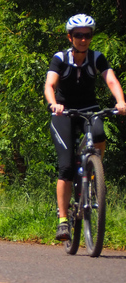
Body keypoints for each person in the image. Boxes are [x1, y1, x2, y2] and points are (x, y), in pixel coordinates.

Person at [44, 13, 126, 241]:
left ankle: (93, 168)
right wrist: (54, 104)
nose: (83, 39)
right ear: (70, 37)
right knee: (66, 167)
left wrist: (121, 102)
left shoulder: (97, 58)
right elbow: (50, 84)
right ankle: (62, 220)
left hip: (89, 109)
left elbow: (111, 80)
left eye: (87, 35)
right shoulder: (60, 58)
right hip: (65, 111)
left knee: (99, 132)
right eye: (78, 35)